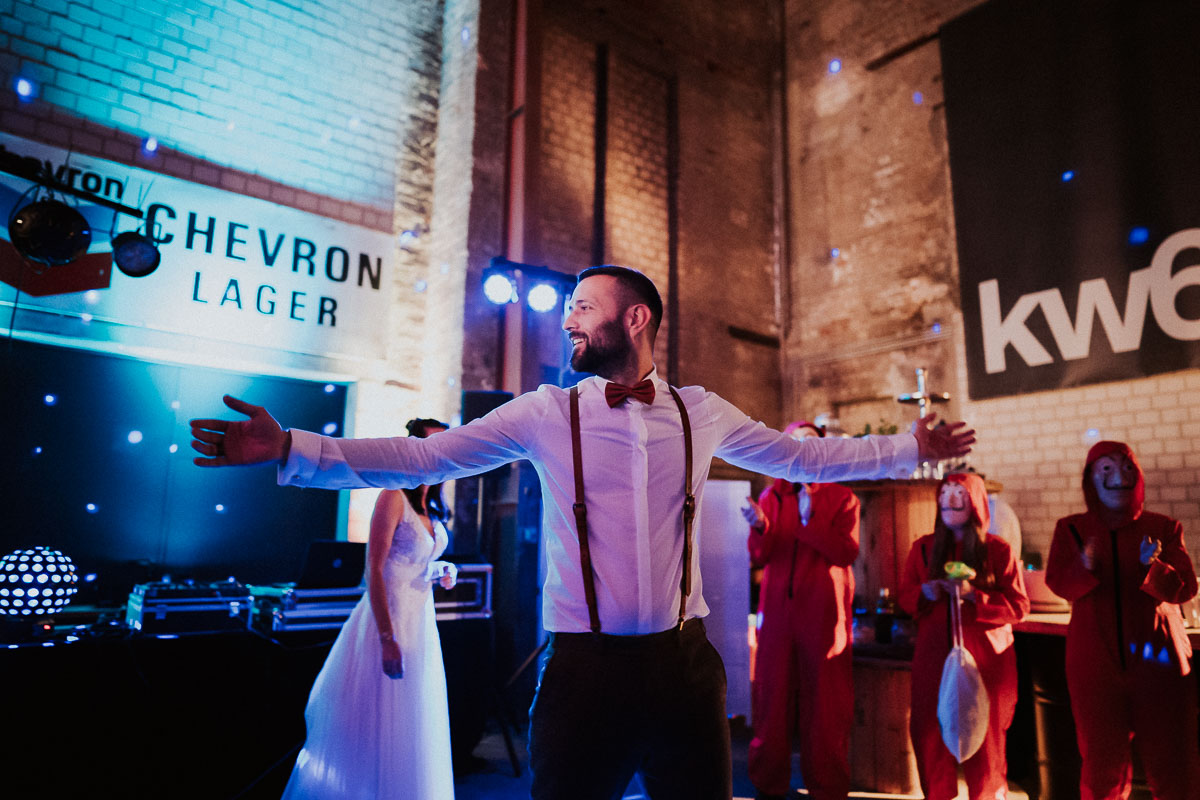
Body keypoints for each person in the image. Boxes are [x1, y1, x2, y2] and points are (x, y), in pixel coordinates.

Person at [190, 265, 975, 800]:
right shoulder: (541, 412)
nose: (567, 317)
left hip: (684, 666)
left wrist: (910, 448)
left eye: (582, 306)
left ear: (635, 319)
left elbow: (803, 458)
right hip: (582, 668)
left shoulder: (701, 411)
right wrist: (294, 447)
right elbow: (423, 454)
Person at [281, 418, 459, 800]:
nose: (440, 455)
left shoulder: (434, 506)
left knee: (413, 721)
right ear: (413, 451)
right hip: (388, 619)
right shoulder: (393, 494)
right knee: (376, 723)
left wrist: (442, 568)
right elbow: (374, 568)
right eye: (432, 446)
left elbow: (413, 562)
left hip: (421, 624)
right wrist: (386, 637)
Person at [1044, 441, 1200, 800]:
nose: (1119, 476)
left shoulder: (1164, 527)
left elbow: (1185, 588)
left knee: (1173, 763)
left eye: (1127, 467)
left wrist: (1154, 566)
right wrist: (1083, 567)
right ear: (1091, 479)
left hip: (1158, 660)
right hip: (1093, 665)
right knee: (1101, 768)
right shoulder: (1070, 529)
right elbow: (1058, 583)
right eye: (1107, 469)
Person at [742, 421, 859, 800]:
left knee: (826, 704)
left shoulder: (842, 498)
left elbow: (846, 552)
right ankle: (767, 784)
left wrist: (809, 521)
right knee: (771, 698)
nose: (802, 447)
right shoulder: (771, 497)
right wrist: (760, 527)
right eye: (795, 442)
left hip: (824, 613)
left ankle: (827, 787)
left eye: (810, 442)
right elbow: (759, 556)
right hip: (775, 612)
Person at [898, 472, 1028, 800]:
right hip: (932, 661)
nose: (951, 499)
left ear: (976, 502)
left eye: (960, 493)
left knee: (986, 745)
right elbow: (905, 596)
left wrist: (975, 596)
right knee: (930, 738)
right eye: (946, 493)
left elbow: (1018, 607)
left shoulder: (998, 551)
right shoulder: (923, 549)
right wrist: (925, 592)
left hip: (987, 663)